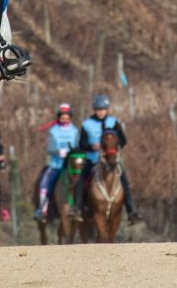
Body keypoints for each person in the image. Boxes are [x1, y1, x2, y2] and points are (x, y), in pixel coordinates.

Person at [74, 94, 141, 222]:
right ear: (94, 110)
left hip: (111, 161)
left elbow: (123, 140)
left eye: (103, 109)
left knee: (124, 181)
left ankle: (131, 211)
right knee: (81, 180)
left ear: (107, 110)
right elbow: (81, 144)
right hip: (92, 160)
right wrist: (91, 146)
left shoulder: (114, 122)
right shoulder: (87, 124)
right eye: (98, 109)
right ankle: (77, 209)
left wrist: (114, 147)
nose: (101, 112)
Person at [33, 103, 80, 221]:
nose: (65, 117)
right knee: (44, 183)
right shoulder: (53, 131)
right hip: (56, 165)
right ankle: (42, 210)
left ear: (70, 116)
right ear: (59, 116)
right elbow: (49, 148)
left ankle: (79, 208)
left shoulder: (75, 131)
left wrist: (72, 153)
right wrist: (58, 151)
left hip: (71, 166)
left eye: (67, 115)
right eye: (62, 115)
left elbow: (78, 147)